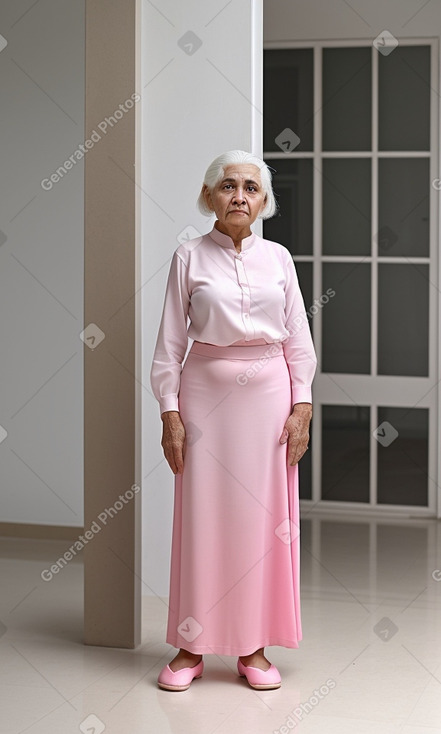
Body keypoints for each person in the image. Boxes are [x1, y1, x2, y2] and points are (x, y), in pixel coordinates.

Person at [150, 150, 317, 692]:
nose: (239, 196)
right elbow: (170, 345)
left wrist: (303, 404)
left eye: (250, 187)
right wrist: (170, 413)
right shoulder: (188, 257)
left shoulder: (280, 258)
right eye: (227, 186)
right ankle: (189, 646)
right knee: (202, 518)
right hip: (203, 402)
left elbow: (297, 337)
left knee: (263, 522)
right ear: (209, 197)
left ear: (263, 201)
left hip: (269, 400)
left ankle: (253, 647)